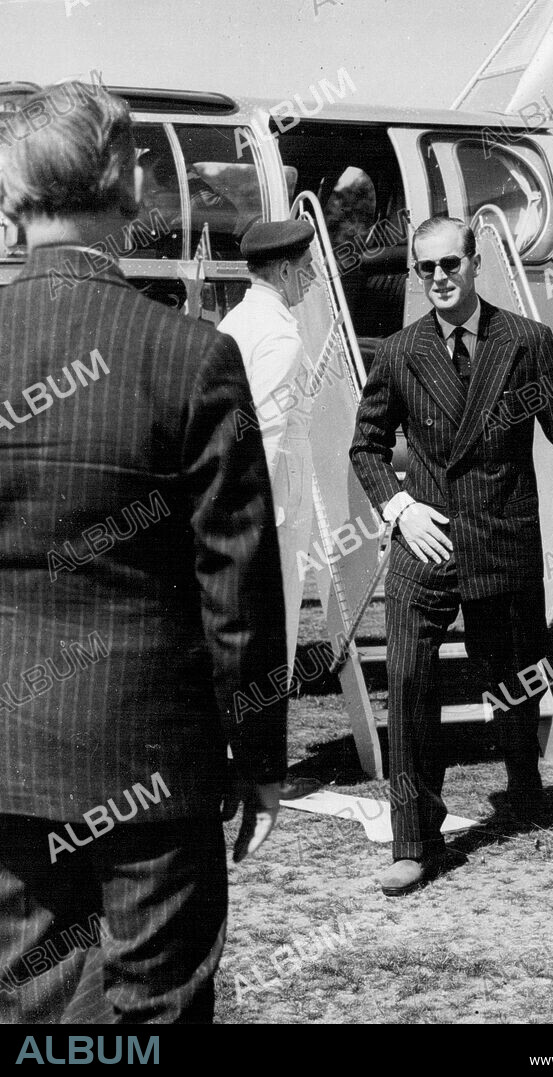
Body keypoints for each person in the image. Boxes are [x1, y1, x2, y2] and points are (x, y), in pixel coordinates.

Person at [0, 82, 287, 1023]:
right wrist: (260, 749)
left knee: (32, 1009)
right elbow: (235, 582)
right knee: (153, 1009)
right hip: (152, 768)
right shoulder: (191, 354)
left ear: (12, 195)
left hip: (7, 761)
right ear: (126, 183)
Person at [350, 216, 553, 897]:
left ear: (474, 261)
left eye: (448, 264)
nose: (437, 278)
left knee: (513, 676)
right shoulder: (400, 351)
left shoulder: (525, 342)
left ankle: (522, 782)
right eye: (423, 267)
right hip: (425, 541)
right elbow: (365, 446)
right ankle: (412, 838)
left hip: (500, 536)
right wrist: (398, 508)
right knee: (407, 683)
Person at [219, 219, 317, 676]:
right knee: (276, 624)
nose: (314, 275)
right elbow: (267, 431)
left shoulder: (235, 321)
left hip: (232, 501)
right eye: (308, 266)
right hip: (273, 507)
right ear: (283, 272)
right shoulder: (281, 334)